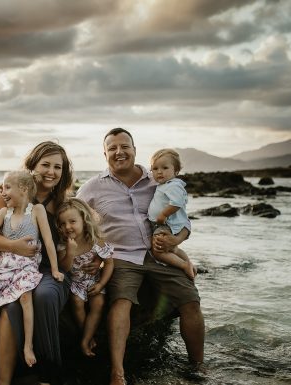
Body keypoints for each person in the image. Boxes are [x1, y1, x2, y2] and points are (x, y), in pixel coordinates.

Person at [76, 128, 205, 385]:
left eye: (125, 146)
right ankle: (118, 373)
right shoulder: (92, 187)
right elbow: (73, 220)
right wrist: (89, 255)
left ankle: (198, 366)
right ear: (105, 154)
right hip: (121, 257)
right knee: (121, 302)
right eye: (112, 148)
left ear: (135, 150)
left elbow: (180, 217)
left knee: (190, 299)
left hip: (159, 255)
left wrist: (178, 242)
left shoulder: (157, 179)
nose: (119, 152)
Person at [0, 141, 98, 385]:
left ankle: (49, 374)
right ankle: (3, 380)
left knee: (45, 296)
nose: (51, 171)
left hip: (50, 270)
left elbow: (87, 233)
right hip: (15, 269)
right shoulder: (10, 194)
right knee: (12, 306)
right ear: (32, 166)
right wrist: (15, 246)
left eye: (58, 167)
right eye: (45, 164)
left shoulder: (64, 204)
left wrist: (99, 257)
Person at [0, 171, 65, 368]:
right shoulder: (4, 213)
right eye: (2, 188)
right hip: (3, 265)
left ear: (24, 189)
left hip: (27, 265)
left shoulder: (36, 211)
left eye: (7, 187)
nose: (3, 192)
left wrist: (54, 269)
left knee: (25, 298)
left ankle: (28, 346)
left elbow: (49, 241)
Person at [56, 198, 114, 358]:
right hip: (76, 283)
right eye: (62, 223)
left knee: (98, 303)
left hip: (94, 280)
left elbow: (109, 263)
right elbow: (64, 268)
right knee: (76, 302)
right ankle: (87, 336)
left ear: (84, 219)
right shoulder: (64, 244)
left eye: (72, 221)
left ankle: (86, 339)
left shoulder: (96, 241)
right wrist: (70, 252)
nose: (67, 227)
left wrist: (101, 284)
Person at [148, 149, 195, 280]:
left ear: (176, 171)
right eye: (155, 168)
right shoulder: (164, 184)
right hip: (159, 223)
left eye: (165, 168)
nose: (159, 171)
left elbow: (177, 202)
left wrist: (163, 215)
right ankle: (189, 264)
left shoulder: (173, 185)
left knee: (158, 251)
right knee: (173, 249)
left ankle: (184, 265)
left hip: (165, 223)